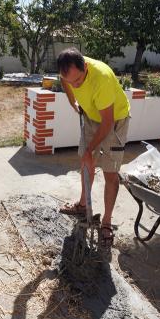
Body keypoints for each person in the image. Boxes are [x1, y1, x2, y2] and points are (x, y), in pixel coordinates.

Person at [57, 48, 130, 247]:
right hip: (91, 116)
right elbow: (65, 81)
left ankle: (106, 221)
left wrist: (91, 149)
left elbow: (107, 123)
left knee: (110, 172)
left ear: (86, 67)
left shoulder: (102, 78)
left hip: (114, 121)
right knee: (86, 163)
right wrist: (73, 102)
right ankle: (82, 205)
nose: (75, 84)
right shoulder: (69, 70)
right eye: (71, 81)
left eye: (79, 81)